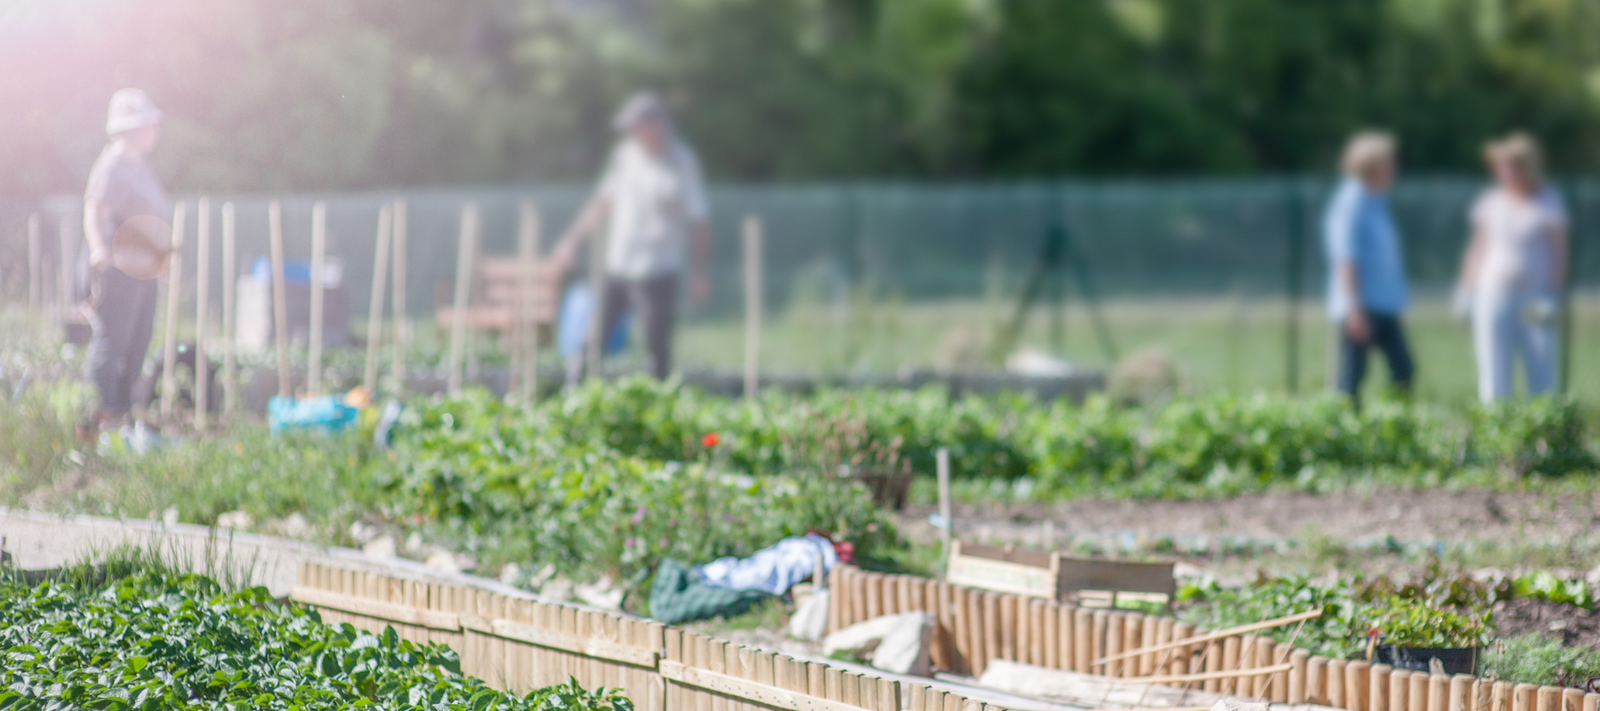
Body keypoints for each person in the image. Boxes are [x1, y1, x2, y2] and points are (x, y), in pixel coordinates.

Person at [552, 92, 711, 383]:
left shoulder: (682, 162)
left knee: (657, 348)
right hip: (619, 267)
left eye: (636, 126)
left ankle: (658, 411)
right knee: (592, 341)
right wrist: (571, 240)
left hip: (658, 269)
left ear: (655, 125)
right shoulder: (625, 156)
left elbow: (699, 219)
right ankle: (570, 399)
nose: (632, 133)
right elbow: (601, 202)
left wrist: (700, 274)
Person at [1455, 133, 1568, 403]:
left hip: (1535, 297)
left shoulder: (1548, 201)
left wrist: (1553, 295)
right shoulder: (1491, 202)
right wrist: (1466, 291)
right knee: (1494, 371)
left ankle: (1542, 435)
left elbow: (1559, 253)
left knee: (1542, 371)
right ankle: (1497, 438)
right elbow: (1478, 249)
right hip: (1494, 295)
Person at [81, 88, 167, 433]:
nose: (154, 131)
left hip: (143, 268)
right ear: (132, 127)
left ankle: (123, 418)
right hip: (119, 268)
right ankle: (94, 419)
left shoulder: (139, 165)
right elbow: (94, 209)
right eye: (149, 124)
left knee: (138, 341)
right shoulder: (113, 163)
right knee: (112, 343)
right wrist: (98, 248)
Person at [1324, 131, 1414, 403]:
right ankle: (1342, 437)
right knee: (1351, 380)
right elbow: (1346, 255)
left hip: (1383, 303)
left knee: (1404, 370)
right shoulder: (1352, 200)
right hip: (1362, 306)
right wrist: (1353, 308)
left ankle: (1395, 431)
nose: (1393, 168)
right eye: (1388, 161)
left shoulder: (1376, 199)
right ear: (1371, 165)